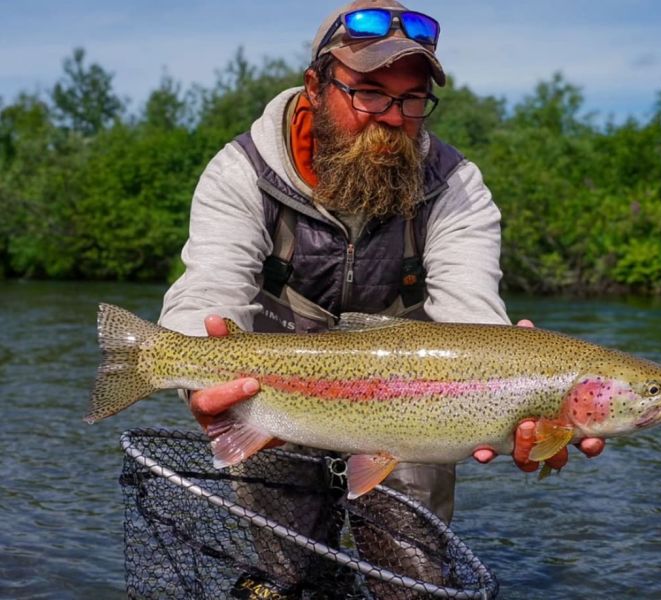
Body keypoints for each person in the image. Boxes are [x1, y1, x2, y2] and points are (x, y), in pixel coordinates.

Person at [159, 0, 604, 595]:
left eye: (411, 99)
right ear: (316, 85)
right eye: (368, 92)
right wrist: (195, 373)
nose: (392, 117)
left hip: (417, 401)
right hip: (280, 389)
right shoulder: (244, 171)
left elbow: (469, 310)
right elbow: (209, 289)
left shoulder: (455, 185)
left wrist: (511, 382)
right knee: (288, 577)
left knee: (411, 582)